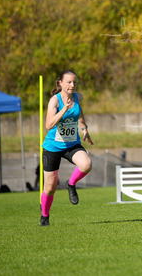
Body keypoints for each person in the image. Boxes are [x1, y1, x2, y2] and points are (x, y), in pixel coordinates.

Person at [40, 70, 93, 226]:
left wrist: (84, 128)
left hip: (71, 144)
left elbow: (79, 112)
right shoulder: (54, 101)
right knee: (50, 187)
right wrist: (63, 110)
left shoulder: (78, 97)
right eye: (69, 82)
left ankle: (70, 184)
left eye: (74, 82)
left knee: (86, 164)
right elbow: (48, 125)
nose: (72, 85)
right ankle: (45, 216)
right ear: (60, 83)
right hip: (53, 147)